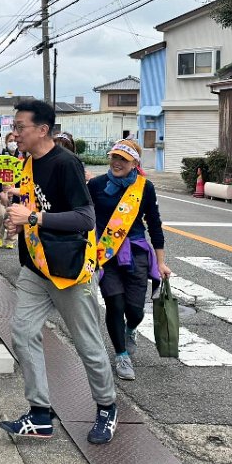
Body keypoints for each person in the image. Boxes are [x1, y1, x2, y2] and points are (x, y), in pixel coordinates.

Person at [0, 100, 118, 445]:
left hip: (69, 271)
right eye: (14, 127)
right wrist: (19, 221)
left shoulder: (66, 164)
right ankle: (39, 414)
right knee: (22, 333)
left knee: (87, 344)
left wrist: (34, 218)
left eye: (20, 127)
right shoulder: (27, 163)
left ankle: (107, 407)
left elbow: (85, 218)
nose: (15, 134)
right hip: (36, 268)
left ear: (42, 130)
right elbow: (33, 207)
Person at [87, 138, 170, 382]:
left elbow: (154, 225)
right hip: (106, 254)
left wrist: (161, 262)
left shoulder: (145, 188)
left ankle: (130, 329)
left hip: (136, 252)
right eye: (114, 157)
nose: (117, 162)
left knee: (135, 311)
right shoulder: (96, 185)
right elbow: (83, 216)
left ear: (135, 163)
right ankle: (121, 355)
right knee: (115, 303)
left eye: (123, 159)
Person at [0, 131, 20, 249]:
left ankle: (10, 239)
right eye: (10, 141)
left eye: (14, 141)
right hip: (1, 192)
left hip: (16, 192)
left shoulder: (22, 157)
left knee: (13, 215)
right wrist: (0, 193)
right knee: (1, 214)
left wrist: (17, 190)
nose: (13, 143)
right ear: (6, 143)